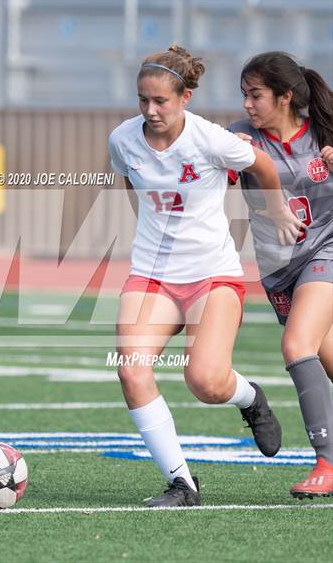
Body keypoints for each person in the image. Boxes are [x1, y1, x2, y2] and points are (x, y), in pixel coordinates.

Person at [108, 45, 303, 507]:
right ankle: (182, 484)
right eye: (142, 101)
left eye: (161, 102)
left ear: (186, 97)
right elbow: (129, 182)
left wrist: (276, 211)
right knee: (132, 370)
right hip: (151, 276)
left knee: (206, 382)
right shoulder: (122, 140)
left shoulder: (211, 139)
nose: (150, 111)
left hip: (212, 276)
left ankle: (250, 398)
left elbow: (263, 164)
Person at [229, 51, 333, 499]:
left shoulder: (325, 136)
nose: (248, 105)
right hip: (279, 272)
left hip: (325, 251)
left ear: (286, 96)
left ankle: (327, 462)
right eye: (244, 95)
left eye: (256, 95)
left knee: (296, 345)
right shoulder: (240, 138)